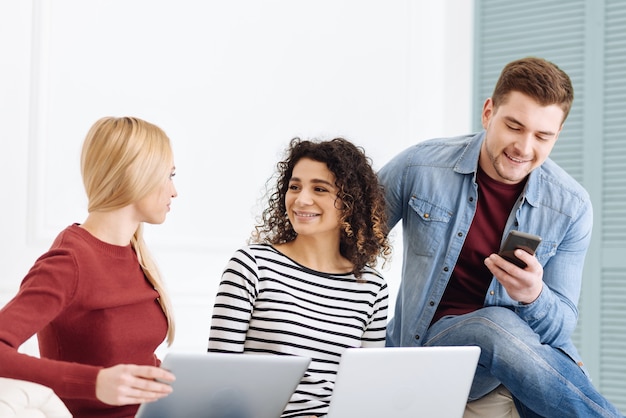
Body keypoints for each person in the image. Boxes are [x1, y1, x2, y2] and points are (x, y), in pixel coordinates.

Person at [378, 57, 624, 417]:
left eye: (542, 136)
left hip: (508, 365)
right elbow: (347, 239)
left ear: (558, 136)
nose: (524, 148)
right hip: (427, 347)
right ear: (488, 112)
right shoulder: (421, 167)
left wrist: (534, 296)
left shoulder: (571, 206)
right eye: (514, 126)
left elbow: (560, 326)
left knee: (523, 340)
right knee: (494, 323)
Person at [0, 116, 178, 418]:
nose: (174, 192)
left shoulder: (135, 253)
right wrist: (93, 383)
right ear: (137, 175)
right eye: (169, 176)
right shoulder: (69, 261)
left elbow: (138, 362)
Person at [208, 137, 391, 417]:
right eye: (295, 187)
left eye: (320, 188)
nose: (301, 199)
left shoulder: (371, 288)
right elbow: (220, 382)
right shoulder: (252, 266)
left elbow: (367, 391)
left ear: (350, 202)